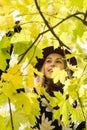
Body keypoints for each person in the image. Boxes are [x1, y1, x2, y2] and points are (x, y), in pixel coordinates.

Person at [33, 46, 85, 130]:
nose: (52, 64)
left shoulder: (74, 98)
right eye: (48, 61)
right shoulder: (33, 94)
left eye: (58, 61)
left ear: (65, 69)